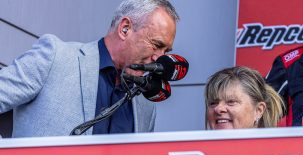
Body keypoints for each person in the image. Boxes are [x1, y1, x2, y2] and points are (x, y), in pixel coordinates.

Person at [0, 0, 179, 137]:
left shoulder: (145, 104)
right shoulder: (55, 56)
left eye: (166, 50)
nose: (159, 57)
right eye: (156, 44)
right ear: (125, 29)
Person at [205, 66, 284, 130]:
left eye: (231, 102)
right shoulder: (197, 149)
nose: (218, 109)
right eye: (213, 103)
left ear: (258, 110)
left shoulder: (277, 149)